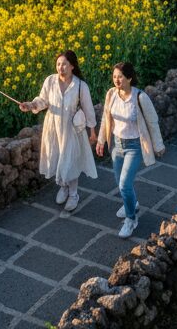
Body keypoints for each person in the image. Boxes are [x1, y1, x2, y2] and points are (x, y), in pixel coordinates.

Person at [19, 50, 97, 212]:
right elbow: (42, 100)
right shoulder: (50, 81)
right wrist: (31, 105)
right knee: (56, 156)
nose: (61, 67)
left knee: (71, 161)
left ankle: (74, 194)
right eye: (58, 64)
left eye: (64, 64)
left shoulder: (80, 86)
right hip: (53, 127)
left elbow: (89, 109)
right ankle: (63, 186)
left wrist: (93, 131)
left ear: (72, 66)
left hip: (71, 129)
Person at [96, 61, 165, 239]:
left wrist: (158, 146)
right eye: (114, 77)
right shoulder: (111, 94)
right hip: (117, 146)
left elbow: (152, 122)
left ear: (129, 78)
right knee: (120, 183)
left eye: (120, 76)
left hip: (134, 146)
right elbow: (105, 118)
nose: (117, 80)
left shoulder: (140, 97)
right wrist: (101, 140)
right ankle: (132, 204)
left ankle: (131, 219)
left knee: (124, 185)